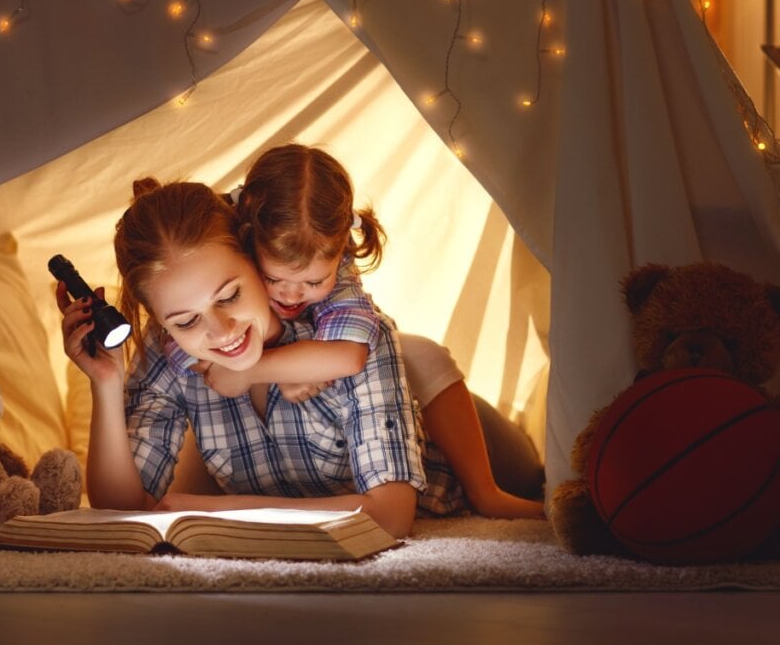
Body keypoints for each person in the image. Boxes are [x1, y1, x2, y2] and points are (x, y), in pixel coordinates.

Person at [57, 178, 466, 539]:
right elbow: (119, 511)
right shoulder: (169, 355)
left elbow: (392, 517)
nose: (221, 332)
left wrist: (212, 509)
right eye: (185, 321)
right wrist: (106, 383)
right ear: (163, 324)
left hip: (454, 450)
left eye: (230, 295)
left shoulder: (350, 333)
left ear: (254, 256)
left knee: (424, 357)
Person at [177, 144, 544, 519]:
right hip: (317, 449)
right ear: (248, 238)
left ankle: (487, 491)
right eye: (274, 278)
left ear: (343, 255)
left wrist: (258, 370)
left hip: (456, 433)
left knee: (415, 351)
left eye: (314, 280)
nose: (291, 294)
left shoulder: (340, 281)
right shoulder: (222, 269)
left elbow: (350, 355)